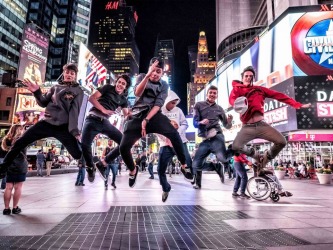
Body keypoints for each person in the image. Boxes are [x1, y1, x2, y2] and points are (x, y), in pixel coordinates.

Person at [119, 57, 193, 194]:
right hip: (137, 114)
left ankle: (184, 165)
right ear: (149, 69)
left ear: (162, 73)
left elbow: (159, 104)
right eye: (153, 70)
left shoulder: (164, 85)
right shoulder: (142, 76)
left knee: (174, 134)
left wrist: (146, 120)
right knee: (123, 147)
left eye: (158, 71)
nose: (155, 74)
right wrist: (147, 75)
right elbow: (137, 93)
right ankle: (132, 170)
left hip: (154, 115)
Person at [0, 63, 84, 179]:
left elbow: (74, 111)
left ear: (75, 76)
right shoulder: (55, 88)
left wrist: (75, 131)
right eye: (67, 72)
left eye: (72, 73)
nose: (69, 75)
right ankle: (3, 168)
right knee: (20, 142)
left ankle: (91, 165)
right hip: (46, 123)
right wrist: (36, 91)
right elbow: (43, 102)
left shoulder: (78, 91)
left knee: (77, 153)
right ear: (63, 73)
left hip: (63, 127)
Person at [229, 66, 311, 172]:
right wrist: (238, 102)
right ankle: (254, 154)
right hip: (247, 127)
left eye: (251, 76)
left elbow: (279, 95)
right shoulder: (237, 89)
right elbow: (233, 101)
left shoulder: (259, 90)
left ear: (253, 78)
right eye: (246, 76)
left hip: (261, 125)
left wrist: (296, 104)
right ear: (242, 77)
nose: (248, 78)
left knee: (282, 141)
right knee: (236, 146)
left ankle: (265, 159)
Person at [81, 74, 130, 182]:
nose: (120, 85)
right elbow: (92, 98)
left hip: (105, 123)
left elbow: (127, 114)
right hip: (92, 119)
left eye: (123, 84)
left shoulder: (123, 100)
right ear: (116, 82)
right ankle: (90, 167)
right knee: (85, 145)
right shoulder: (107, 88)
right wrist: (103, 110)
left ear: (126, 87)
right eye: (119, 82)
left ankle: (103, 163)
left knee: (125, 143)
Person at [192, 85, 233, 189]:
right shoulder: (198, 105)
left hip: (217, 136)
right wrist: (201, 122)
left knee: (223, 158)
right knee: (195, 165)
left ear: (217, 95)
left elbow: (227, 126)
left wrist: (229, 121)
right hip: (205, 139)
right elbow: (194, 123)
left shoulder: (219, 109)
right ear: (207, 93)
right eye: (211, 92)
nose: (212, 95)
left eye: (214, 93)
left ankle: (235, 148)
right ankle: (216, 167)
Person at [2, 124, 28, 215]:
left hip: (9, 165)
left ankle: (6, 209)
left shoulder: (6, 140)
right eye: (22, 129)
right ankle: (15, 207)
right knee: (18, 187)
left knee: (8, 187)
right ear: (19, 130)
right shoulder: (22, 140)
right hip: (20, 165)